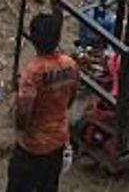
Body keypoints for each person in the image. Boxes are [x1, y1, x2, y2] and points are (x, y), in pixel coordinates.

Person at [8, 11, 80, 192]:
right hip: (57, 140)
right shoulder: (70, 65)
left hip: (32, 145)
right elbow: (71, 99)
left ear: (32, 40)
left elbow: (23, 113)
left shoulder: (33, 73)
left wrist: (20, 130)